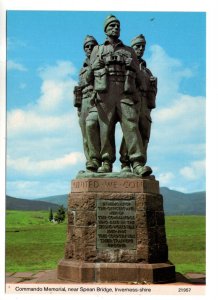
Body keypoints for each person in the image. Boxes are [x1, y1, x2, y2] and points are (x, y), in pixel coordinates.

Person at [87, 15, 152, 176]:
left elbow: (141, 81)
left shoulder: (129, 51)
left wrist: (135, 68)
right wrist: (93, 67)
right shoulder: (98, 50)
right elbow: (88, 79)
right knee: (105, 128)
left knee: (131, 126)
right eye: (112, 26)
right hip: (105, 93)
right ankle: (106, 162)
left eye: (117, 26)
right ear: (105, 29)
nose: (115, 28)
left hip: (125, 93)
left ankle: (136, 162)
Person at [119, 34, 157, 173]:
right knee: (130, 131)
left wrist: (153, 85)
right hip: (131, 100)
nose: (140, 49)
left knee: (144, 133)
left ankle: (140, 165)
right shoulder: (126, 65)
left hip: (145, 104)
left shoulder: (147, 71)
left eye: (142, 47)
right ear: (132, 49)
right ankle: (125, 163)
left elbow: (151, 91)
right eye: (137, 46)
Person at [73, 35, 101, 172]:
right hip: (84, 100)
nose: (89, 48)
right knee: (85, 135)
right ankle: (90, 163)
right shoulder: (83, 67)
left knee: (97, 131)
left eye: (92, 45)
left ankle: (100, 162)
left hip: (98, 100)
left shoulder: (102, 62)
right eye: (87, 46)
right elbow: (83, 82)